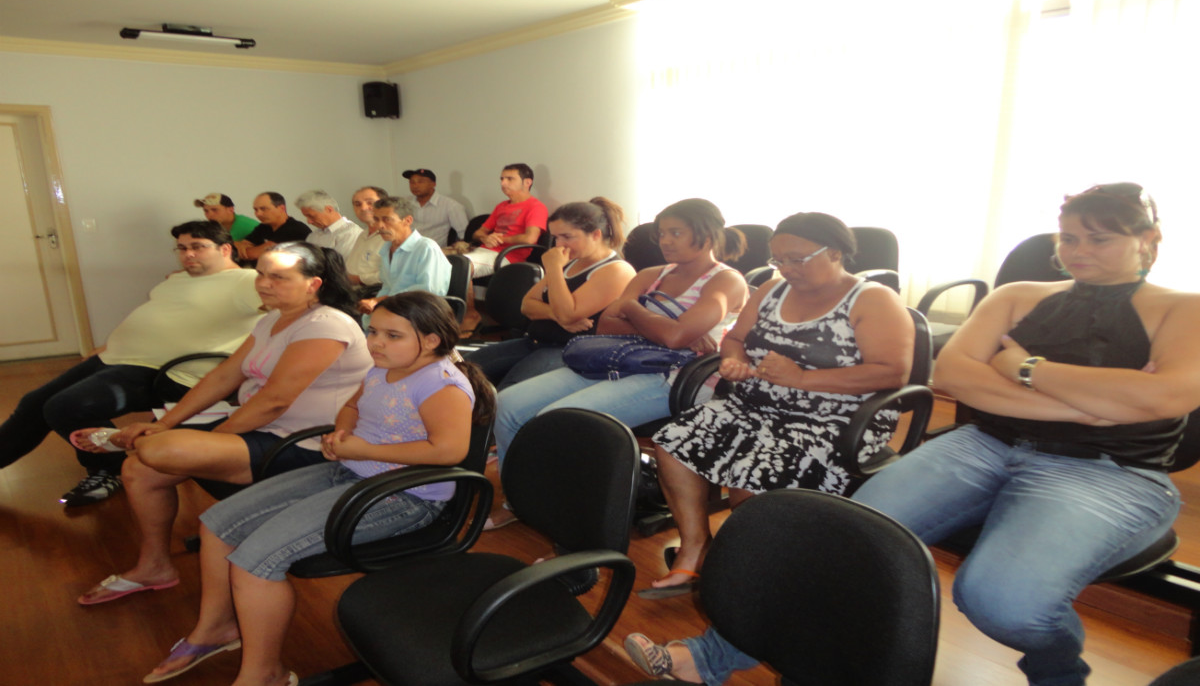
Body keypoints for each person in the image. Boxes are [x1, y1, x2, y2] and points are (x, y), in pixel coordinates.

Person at [628, 183, 1200, 686]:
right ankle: (709, 657)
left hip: (1109, 469)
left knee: (999, 603)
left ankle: (1058, 672)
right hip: (982, 445)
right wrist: (1099, 401)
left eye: (1098, 240)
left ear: (1148, 240)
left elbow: (1164, 399)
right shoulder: (1019, 296)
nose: (1077, 253)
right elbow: (953, 376)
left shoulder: (1183, 310)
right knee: (838, 542)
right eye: (1069, 238)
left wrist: (1023, 369)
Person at [138, 292, 495, 686]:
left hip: (403, 496)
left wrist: (364, 448)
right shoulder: (383, 367)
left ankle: (265, 675)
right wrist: (343, 431)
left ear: (430, 341)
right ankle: (216, 629)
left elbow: (448, 451)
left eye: (392, 335)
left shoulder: (441, 385)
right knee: (216, 524)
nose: (375, 343)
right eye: (373, 331)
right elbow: (354, 406)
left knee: (255, 561)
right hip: (353, 470)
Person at [73, 242, 373, 605]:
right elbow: (223, 377)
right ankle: (154, 566)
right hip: (262, 430)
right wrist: (169, 423)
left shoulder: (327, 324)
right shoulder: (273, 318)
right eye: (261, 273)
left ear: (313, 284)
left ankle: (130, 438)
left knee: (157, 450)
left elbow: (275, 400)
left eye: (278, 277)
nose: (263, 283)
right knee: (140, 469)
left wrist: (209, 441)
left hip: (306, 445)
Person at [642, 213, 913, 598]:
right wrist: (732, 360)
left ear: (835, 253)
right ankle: (696, 546)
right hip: (757, 403)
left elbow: (891, 373)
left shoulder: (873, 299)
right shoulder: (771, 289)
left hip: (835, 415)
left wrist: (803, 379)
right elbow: (735, 338)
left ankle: (755, 567)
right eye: (778, 259)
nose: (786, 268)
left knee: (751, 475)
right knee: (671, 443)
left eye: (797, 259)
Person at [487, 198, 747, 528]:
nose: (665, 241)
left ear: (707, 237)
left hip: (677, 377)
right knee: (508, 404)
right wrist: (670, 326)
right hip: (620, 359)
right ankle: (519, 500)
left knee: (558, 421)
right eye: (662, 233)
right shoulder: (652, 274)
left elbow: (673, 337)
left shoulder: (726, 280)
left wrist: (638, 311)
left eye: (675, 233)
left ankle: (569, 519)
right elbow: (609, 324)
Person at [0, 221, 262, 506]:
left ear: (225, 249)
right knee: (34, 402)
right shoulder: (180, 278)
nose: (188, 255)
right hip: (119, 357)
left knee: (64, 406)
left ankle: (109, 471)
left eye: (198, 247)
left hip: (166, 371)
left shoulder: (246, 281)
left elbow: (290, 306)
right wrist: (114, 343)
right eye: (183, 248)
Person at [468, 197, 636, 390]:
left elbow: (567, 312)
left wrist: (554, 269)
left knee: (509, 391)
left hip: (568, 349)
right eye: (556, 237)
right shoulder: (571, 261)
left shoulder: (616, 270)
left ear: (596, 235)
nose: (558, 244)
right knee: (461, 371)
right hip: (535, 341)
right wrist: (559, 317)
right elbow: (527, 305)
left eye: (567, 237)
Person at [460, 163, 550, 334]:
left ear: (527, 182)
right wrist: (486, 237)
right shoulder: (501, 206)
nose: (503, 183)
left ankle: (470, 315)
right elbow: (478, 233)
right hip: (485, 251)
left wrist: (501, 239)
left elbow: (530, 238)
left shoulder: (536, 207)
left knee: (462, 265)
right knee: (444, 261)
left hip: (509, 256)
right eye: (502, 179)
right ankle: (448, 314)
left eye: (510, 179)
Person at [359, 196, 451, 329]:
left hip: (420, 313)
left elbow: (430, 291)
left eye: (387, 219)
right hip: (395, 311)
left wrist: (380, 301)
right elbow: (387, 287)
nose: (380, 226)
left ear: (407, 220)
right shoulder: (386, 250)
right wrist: (373, 306)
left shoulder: (426, 248)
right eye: (376, 219)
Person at [403, 168, 468, 245]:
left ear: (433, 184)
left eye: (421, 182)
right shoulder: (405, 203)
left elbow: (464, 234)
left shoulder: (451, 206)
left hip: (434, 252)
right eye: (412, 182)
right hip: (407, 248)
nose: (415, 186)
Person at [241, 192, 311, 262]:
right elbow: (242, 245)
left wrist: (245, 249)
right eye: (256, 210)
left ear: (282, 208)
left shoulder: (295, 229)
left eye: (263, 209)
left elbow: (254, 254)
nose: (258, 214)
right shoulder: (264, 226)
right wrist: (238, 245)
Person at [344, 185, 388, 294]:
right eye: (357, 204)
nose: (363, 208)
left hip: (377, 295)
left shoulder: (391, 236)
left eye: (370, 203)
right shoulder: (363, 234)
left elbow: (394, 274)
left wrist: (359, 279)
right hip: (353, 294)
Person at [297, 189, 363, 259]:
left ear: (329, 209)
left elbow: (339, 266)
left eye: (311, 216)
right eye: (306, 216)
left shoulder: (351, 233)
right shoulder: (313, 236)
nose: (309, 222)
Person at [194, 193, 258, 242]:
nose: (209, 214)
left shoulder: (248, 226)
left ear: (230, 210)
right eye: (206, 211)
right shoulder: (213, 227)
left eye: (215, 210)